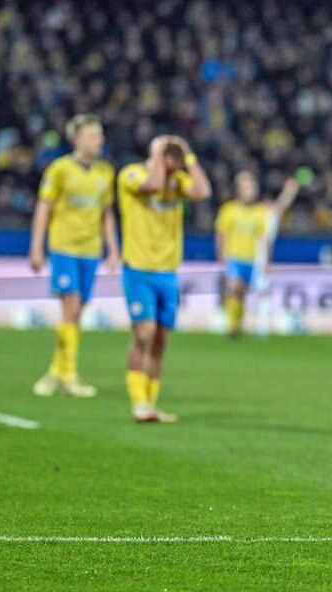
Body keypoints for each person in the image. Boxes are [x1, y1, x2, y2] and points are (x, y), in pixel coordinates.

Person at [117, 135, 211, 423]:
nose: (175, 161)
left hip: (168, 272)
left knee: (160, 340)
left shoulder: (178, 181)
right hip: (139, 269)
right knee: (143, 335)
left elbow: (203, 192)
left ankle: (151, 404)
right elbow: (153, 185)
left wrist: (189, 155)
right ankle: (138, 402)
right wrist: (159, 154)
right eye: (170, 155)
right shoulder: (132, 174)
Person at [28, 114, 120, 398]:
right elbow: (44, 207)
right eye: (94, 135)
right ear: (77, 139)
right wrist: (36, 247)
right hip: (64, 247)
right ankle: (69, 375)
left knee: (76, 313)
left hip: (90, 250)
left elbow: (107, 214)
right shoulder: (60, 170)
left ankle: (56, 371)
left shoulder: (105, 172)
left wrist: (114, 249)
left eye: (100, 135)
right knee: (71, 306)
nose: (99, 140)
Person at [215, 171, 299, 337]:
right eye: (246, 188)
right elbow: (221, 233)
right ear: (239, 190)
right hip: (235, 257)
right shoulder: (229, 209)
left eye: (252, 188)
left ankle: (245, 324)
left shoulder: (260, 212)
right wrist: (222, 255)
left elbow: (265, 236)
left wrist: (267, 258)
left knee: (245, 292)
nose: (250, 192)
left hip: (253, 259)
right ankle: (232, 327)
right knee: (234, 287)